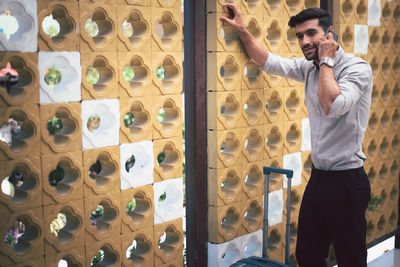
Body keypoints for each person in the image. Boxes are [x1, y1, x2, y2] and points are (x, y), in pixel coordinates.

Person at [221, 4, 372, 267]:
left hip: (348, 181)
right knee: (307, 255)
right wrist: (242, 30)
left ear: (329, 34)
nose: (304, 41)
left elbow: (332, 105)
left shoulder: (356, 68)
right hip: (320, 179)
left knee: (351, 259)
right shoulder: (310, 68)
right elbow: (269, 61)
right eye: (299, 36)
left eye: (311, 33)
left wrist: (326, 60)